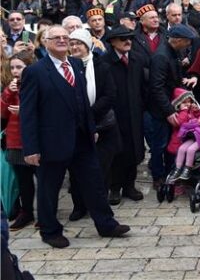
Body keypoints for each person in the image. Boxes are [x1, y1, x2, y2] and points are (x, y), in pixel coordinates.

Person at [19, 25, 129, 248]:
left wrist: (92, 128)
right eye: (56, 37)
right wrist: (31, 148)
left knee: (94, 184)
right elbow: (28, 113)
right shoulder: (35, 71)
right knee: (49, 190)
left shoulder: (77, 65)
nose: (62, 40)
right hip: (52, 142)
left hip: (82, 139)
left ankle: (106, 224)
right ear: (45, 42)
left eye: (65, 37)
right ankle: (50, 232)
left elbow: (82, 103)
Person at [67, 28, 122, 219]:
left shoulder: (101, 66)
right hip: (75, 127)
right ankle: (79, 205)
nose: (74, 47)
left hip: (102, 125)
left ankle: (98, 204)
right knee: (76, 170)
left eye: (78, 44)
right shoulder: (66, 68)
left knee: (100, 168)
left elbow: (110, 95)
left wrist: (89, 115)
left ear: (87, 46)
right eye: (71, 44)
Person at [146, 24, 197, 189]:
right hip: (161, 110)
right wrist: (168, 111)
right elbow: (156, 87)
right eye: (187, 41)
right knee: (159, 145)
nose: (189, 45)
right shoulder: (161, 56)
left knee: (169, 142)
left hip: (171, 106)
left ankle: (170, 172)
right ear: (178, 40)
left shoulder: (173, 52)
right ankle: (158, 177)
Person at [102, 25, 146, 204]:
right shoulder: (105, 62)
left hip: (134, 113)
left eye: (130, 38)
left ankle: (130, 185)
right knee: (116, 151)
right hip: (114, 114)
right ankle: (115, 187)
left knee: (134, 149)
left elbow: (144, 86)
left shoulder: (138, 59)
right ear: (112, 42)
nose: (128, 41)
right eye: (123, 38)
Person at [1, 52, 37, 230]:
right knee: (23, 181)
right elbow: (2, 113)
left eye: (19, 67)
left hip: (35, 140)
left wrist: (24, 110)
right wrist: (8, 93)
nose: (15, 71)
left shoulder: (36, 84)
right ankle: (27, 212)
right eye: (13, 67)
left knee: (43, 179)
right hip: (15, 140)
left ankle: (46, 214)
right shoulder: (10, 88)